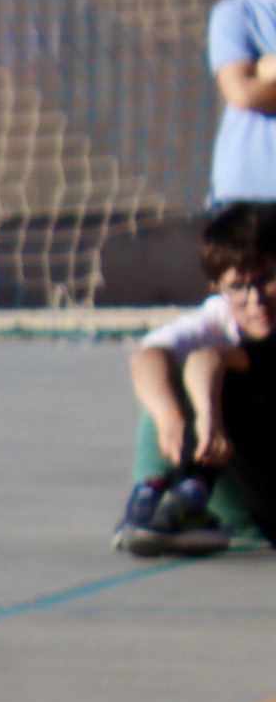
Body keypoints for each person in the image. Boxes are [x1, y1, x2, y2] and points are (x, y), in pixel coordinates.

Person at [115, 201, 276, 557]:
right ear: (217, 286)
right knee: (166, 384)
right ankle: (153, 496)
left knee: (221, 384)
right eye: (238, 287)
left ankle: (191, 498)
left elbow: (211, 358)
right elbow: (148, 357)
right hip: (249, 488)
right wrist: (170, 419)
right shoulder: (221, 316)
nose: (256, 300)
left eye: (266, 279)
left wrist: (208, 415)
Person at [207, 0, 276, 204]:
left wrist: (266, 70)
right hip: (250, 192)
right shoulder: (235, 14)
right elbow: (243, 93)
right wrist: (257, 77)